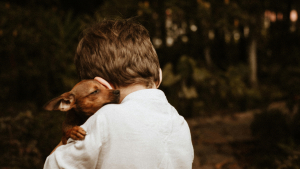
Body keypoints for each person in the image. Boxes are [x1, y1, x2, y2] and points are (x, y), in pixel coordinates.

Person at [44, 19, 194, 169]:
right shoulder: (180, 124)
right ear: (159, 77)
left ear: (103, 85)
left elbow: (52, 166)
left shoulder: (104, 119)